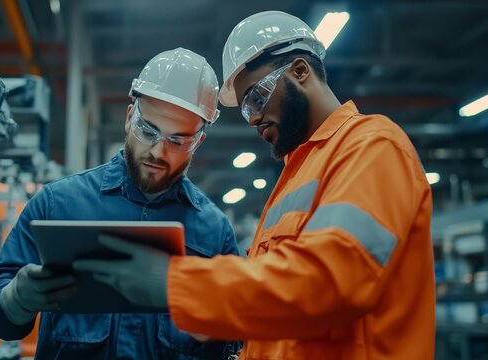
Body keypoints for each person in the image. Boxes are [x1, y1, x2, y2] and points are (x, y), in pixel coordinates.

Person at [74, 11, 435, 359]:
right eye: (246, 108)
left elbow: (328, 283)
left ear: (300, 71)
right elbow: (279, 312)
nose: (254, 118)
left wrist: (173, 282)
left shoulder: (372, 147)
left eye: (257, 98)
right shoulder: (295, 175)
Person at [0, 47, 241, 359]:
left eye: (177, 141)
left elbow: (234, 343)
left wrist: (221, 329)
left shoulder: (214, 232)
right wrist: (15, 300)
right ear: (130, 119)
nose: (158, 151)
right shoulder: (58, 205)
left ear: (198, 142)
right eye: (148, 130)